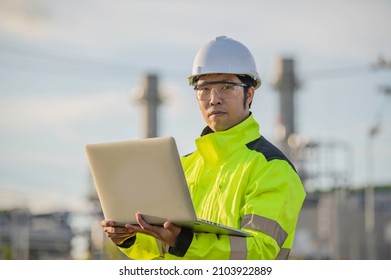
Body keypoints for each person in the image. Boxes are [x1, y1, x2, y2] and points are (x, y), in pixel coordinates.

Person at [101, 36, 306, 260]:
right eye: (204, 89)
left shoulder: (272, 169)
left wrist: (183, 242)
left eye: (227, 87)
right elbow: (162, 250)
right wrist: (130, 238)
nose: (214, 99)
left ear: (250, 94)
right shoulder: (183, 167)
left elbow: (258, 254)